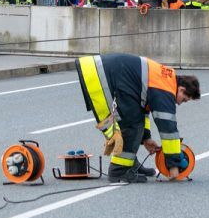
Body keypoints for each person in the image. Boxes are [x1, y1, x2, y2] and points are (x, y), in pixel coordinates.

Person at [74, 53, 200, 183]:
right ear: (181, 89)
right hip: (99, 75)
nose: (179, 103)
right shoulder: (165, 89)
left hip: (104, 72)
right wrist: (173, 165)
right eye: (184, 100)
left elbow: (142, 110)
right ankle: (119, 170)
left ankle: (129, 164)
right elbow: (168, 130)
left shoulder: (166, 80)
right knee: (131, 126)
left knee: (134, 122)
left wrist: (146, 138)